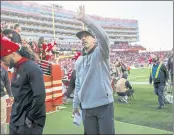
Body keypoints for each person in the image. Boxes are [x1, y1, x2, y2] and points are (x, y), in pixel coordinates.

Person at [73, 5, 115, 134]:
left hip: (104, 105)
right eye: (81, 37)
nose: (83, 38)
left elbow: (105, 38)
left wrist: (85, 19)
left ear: (94, 38)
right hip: (86, 108)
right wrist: (75, 105)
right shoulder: (79, 60)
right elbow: (78, 84)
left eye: (86, 36)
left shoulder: (101, 53)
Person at [0, 36, 46, 134]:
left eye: (4, 58)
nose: (3, 62)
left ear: (13, 54)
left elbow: (40, 96)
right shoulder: (17, 68)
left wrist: (30, 118)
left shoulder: (32, 68)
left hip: (29, 121)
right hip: (17, 119)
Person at [0, 61, 13, 134]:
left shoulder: (3, 70)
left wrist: (10, 95)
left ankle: (3, 133)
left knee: (2, 118)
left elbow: (7, 83)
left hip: (1, 97)